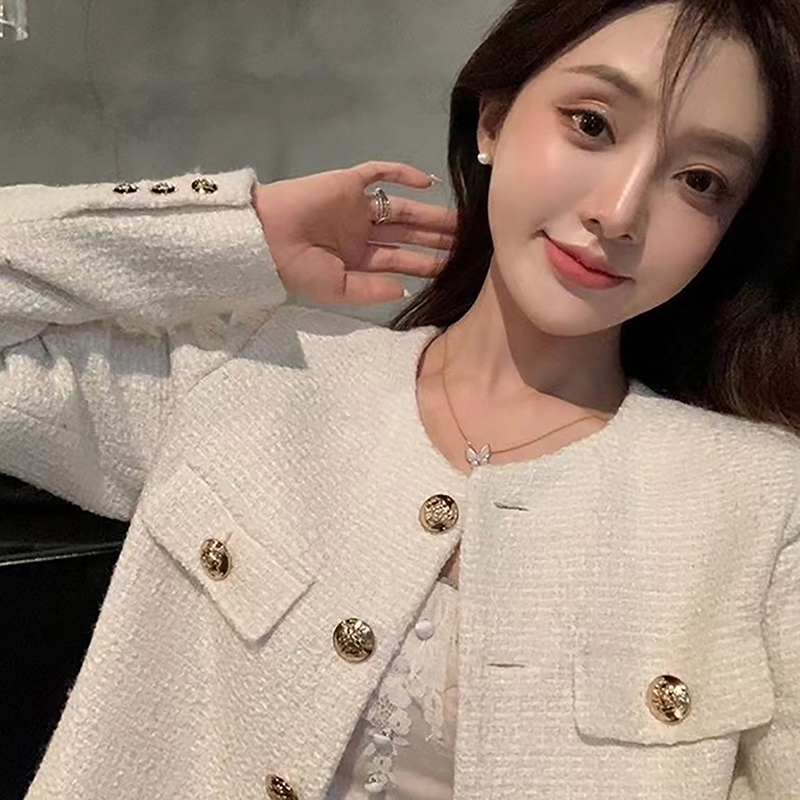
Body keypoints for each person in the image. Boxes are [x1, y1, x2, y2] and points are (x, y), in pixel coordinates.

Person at [2, 0, 799, 797]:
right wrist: (242, 232)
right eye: (591, 124)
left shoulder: (762, 505)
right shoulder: (247, 373)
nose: (619, 213)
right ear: (493, 119)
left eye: (701, 181)